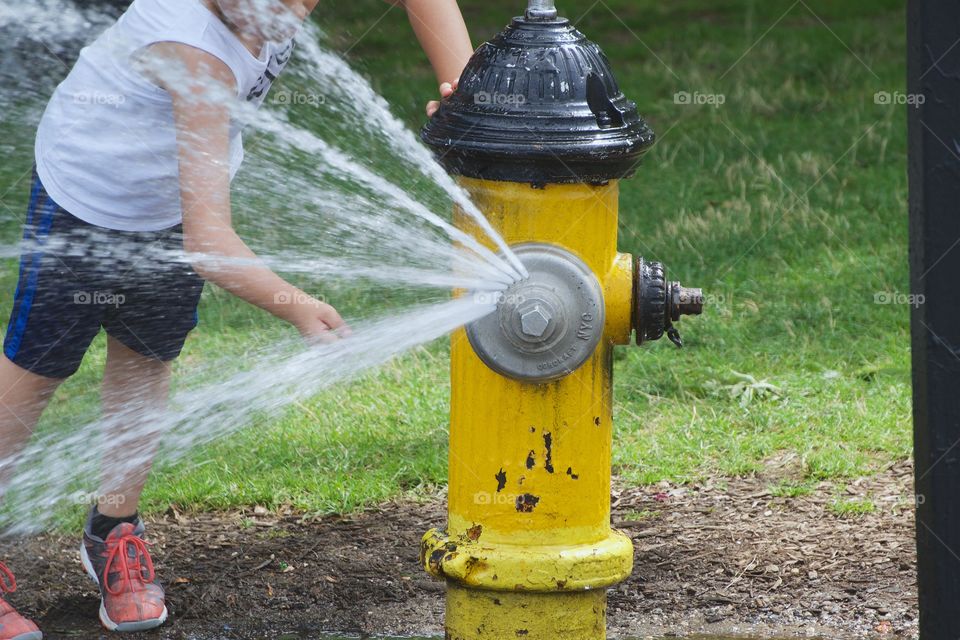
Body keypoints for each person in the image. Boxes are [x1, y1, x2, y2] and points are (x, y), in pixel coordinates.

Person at [0, 0, 473, 635]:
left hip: (174, 198)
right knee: (37, 370)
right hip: (89, 197)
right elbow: (209, 244)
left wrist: (469, 92)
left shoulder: (269, 7)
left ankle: (114, 529)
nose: (294, 12)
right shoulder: (192, 46)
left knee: (147, 356)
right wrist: (299, 307)